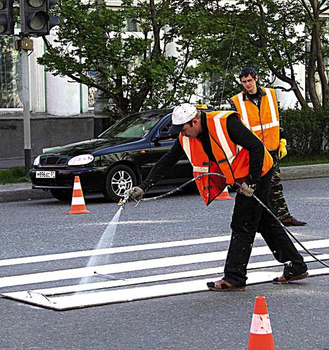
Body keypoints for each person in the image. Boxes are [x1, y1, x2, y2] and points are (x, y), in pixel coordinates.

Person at [128, 104, 308, 291]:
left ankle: (234, 277)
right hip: (242, 177)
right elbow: (167, 160)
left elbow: (256, 147)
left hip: (259, 171)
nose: (182, 134)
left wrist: (252, 182)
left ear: (195, 121)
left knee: (242, 224)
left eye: (183, 129)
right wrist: (144, 187)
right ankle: (296, 266)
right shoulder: (186, 136)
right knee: (264, 222)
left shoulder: (225, 123)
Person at [230, 67, 306, 227]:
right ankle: (260, 218)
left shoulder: (270, 95)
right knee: (255, 186)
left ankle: (282, 217)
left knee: (274, 183)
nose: (247, 84)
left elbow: (277, 120)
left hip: (271, 148)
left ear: (256, 79)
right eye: (244, 82)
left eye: (249, 80)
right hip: (253, 151)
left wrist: (282, 140)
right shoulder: (236, 101)